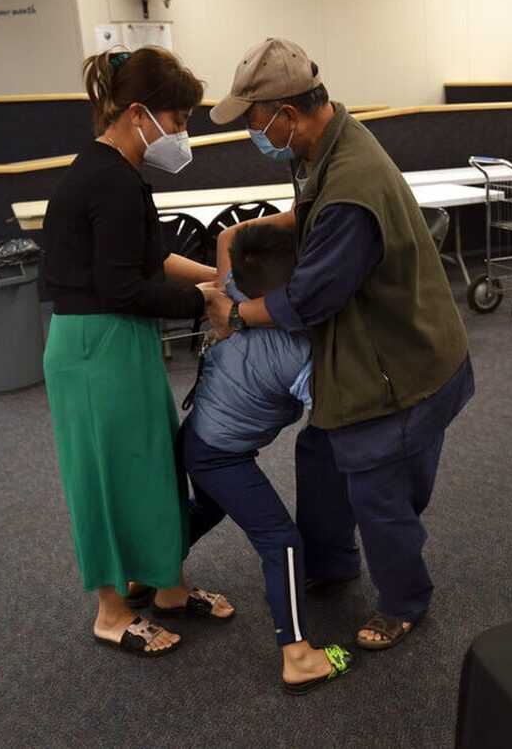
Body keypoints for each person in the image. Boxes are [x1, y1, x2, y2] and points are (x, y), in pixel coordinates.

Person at [205, 38, 474, 650]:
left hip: (401, 365)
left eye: (253, 122)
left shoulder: (353, 182)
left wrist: (236, 314)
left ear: (287, 114)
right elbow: (309, 212)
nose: (252, 134)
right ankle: (330, 563)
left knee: (379, 489)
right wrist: (251, 229)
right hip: (374, 348)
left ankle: (403, 602)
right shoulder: (328, 144)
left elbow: (309, 299)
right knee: (321, 452)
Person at [41, 47, 234, 657]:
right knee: (105, 475)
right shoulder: (108, 180)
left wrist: (225, 279)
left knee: (152, 462)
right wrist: (203, 302)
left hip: (116, 338)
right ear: (137, 114)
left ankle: (167, 585)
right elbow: (123, 288)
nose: (181, 134)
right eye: (177, 120)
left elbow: (152, 258)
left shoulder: (119, 173)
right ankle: (111, 609)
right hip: (93, 345)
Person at [180, 224, 353, 693]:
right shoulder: (298, 354)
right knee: (282, 541)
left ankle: (148, 573)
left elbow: (228, 239)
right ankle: (298, 657)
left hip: (199, 433)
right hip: (221, 454)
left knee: (207, 509)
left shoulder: (233, 291)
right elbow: (336, 417)